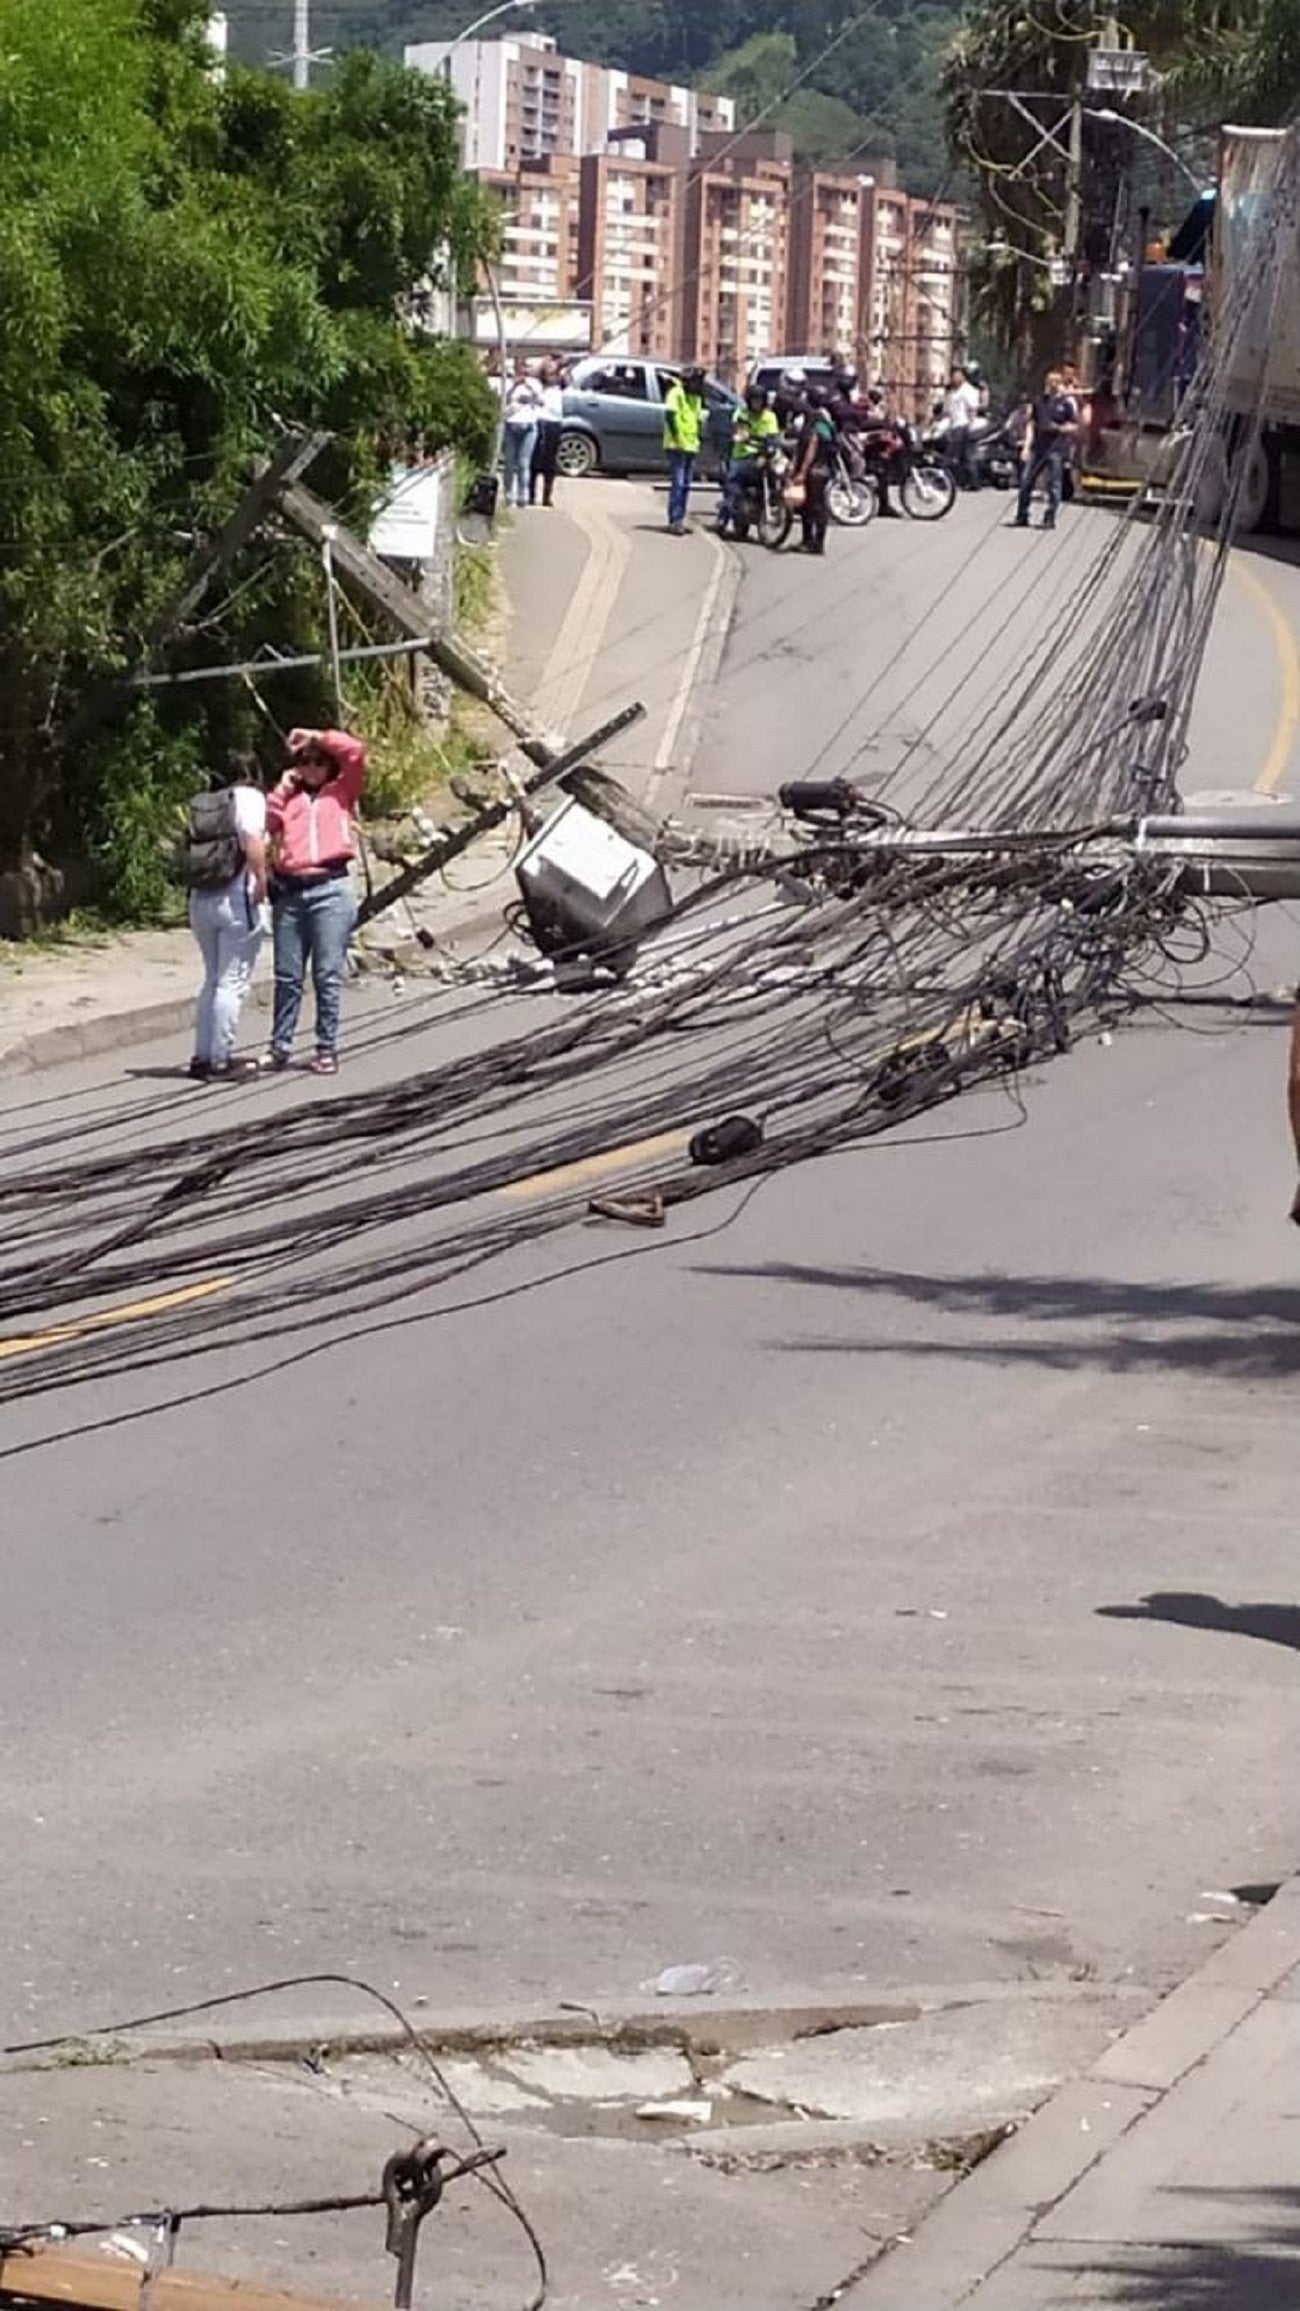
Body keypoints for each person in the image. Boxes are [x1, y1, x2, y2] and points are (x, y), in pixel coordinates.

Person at [263, 727, 367, 1076]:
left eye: (317, 762)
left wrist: (315, 736)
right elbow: (267, 822)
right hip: (291, 890)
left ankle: (326, 1047)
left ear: (329, 766)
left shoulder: (341, 792)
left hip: (331, 888)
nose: (310, 768)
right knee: (287, 975)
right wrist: (281, 788)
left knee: (326, 973)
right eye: (304, 762)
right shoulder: (289, 798)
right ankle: (280, 1047)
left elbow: (354, 750)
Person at [184, 754, 269, 1083]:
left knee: (212, 979)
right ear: (252, 772)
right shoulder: (250, 799)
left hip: (201, 898)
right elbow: (252, 842)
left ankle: (202, 1056)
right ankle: (221, 1059)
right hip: (236, 898)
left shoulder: (205, 802)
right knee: (232, 981)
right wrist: (261, 882)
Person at [1015, 370, 1079, 530]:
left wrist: (1059, 428)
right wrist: (1026, 447)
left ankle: (1049, 518)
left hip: (1056, 450)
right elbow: (1032, 424)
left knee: (1053, 485)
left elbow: (1075, 426)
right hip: (1039, 448)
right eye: (1050, 382)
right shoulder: (1039, 402)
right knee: (1026, 481)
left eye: (1056, 382)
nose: (1052, 385)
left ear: (1060, 384)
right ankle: (1022, 515)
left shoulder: (1066, 404)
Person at [717, 383, 780, 534]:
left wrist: (770, 449)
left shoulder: (770, 417)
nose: (756, 403)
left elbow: (773, 437)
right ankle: (723, 517)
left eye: (759, 400)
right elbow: (740, 431)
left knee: (778, 475)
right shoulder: (742, 413)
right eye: (754, 400)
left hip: (762, 455)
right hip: (742, 455)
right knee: (733, 480)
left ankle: (773, 503)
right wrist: (743, 435)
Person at [790, 385, 837, 555]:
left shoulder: (816, 419)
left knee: (813, 507)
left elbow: (812, 445)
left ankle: (814, 543)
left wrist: (802, 471)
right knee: (813, 507)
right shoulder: (823, 418)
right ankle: (810, 542)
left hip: (815, 470)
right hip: (822, 469)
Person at [663, 365, 706, 535]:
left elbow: (697, 420)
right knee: (678, 483)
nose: (698, 385)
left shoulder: (696, 398)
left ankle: (680, 518)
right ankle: (674, 520)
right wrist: (677, 438)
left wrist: (697, 439)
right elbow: (670, 416)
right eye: (696, 382)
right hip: (676, 445)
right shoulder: (676, 393)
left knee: (686, 485)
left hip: (691, 445)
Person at [502, 363, 542, 509]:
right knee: (509, 462)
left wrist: (529, 392)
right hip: (511, 425)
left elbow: (541, 402)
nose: (522, 373)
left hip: (528, 426)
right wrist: (514, 386)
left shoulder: (535, 384)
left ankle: (522, 496)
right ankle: (508, 494)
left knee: (523, 463)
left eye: (525, 370)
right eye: (519, 370)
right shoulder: (508, 384)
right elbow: (503, 401)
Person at [529, 359, 565, 507]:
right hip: (540, 420)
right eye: (548, 365)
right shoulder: (538, 383)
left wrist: (558, 364)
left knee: (550, 462)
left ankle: (547, 496)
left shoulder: (560, 382)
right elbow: (534, 373)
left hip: (555, 422)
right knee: (535, 459)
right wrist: (543, 365)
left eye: (553, 364)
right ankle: (530, 494)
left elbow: (566, 375)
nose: (551, 366)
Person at [942, 363, 983, 489]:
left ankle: (947, 480)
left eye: (956, 375)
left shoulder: (968, 390)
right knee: (965, 456)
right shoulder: (955, 392)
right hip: (955, 425)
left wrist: (970, 425)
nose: (953, 378)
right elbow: (948, 410)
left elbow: (972, 409)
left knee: (952, 455)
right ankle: (971, 481)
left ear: (962, 376)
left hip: (963, 425)